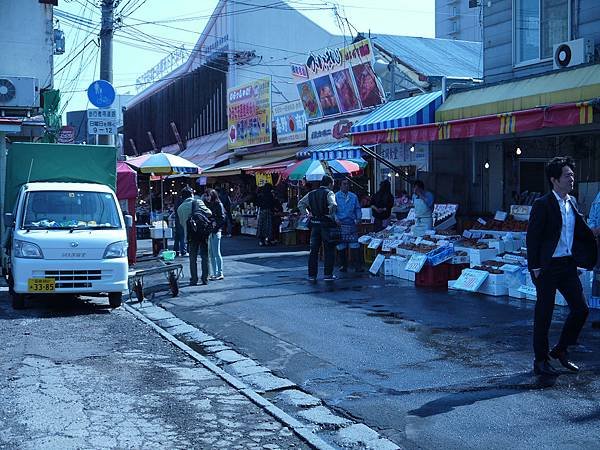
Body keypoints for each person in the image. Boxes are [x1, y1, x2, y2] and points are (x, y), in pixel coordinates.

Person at [526, 156, 597, 376]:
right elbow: (533, 237)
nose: (572, 179)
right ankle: (540, 360)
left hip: (567, 265)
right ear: (554, 179)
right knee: (544, 314)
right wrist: (535, 266)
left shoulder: (572, 202)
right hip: (547, 267)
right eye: (568, 175)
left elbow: (577, 233)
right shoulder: (542, 204)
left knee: (581, 309)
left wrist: (581, 257)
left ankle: (561, 349)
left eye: (572, 175)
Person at [298, 175, 338, 282]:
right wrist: (330, 215)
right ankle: (328, 274)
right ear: (330, 184)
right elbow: (333, 204)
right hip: (326, 224)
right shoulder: (329, 193)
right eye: (333, 184)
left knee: (313, 251)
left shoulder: (311, 193)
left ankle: (312, 275)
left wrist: (307, 214)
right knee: (329, 249)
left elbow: (300, 204)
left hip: (315, 224)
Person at [177, 186, 213, 286]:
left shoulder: (180, 208)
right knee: (205, 256)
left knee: (192, 258)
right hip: (202, 233)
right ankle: (205, 278)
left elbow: (181, 223)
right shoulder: (198, 202)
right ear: (192, 194)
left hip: (190, 235)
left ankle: (194, 279)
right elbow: (209, 213)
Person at [335, 179, 363, 272]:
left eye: (347, 184)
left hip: (351, 223)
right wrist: (336, 219)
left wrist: (359, 218)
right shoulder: (335, 196)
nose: (346, 186)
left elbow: (358, 208)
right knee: (341, 246)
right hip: (341, 224)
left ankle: (357, 266)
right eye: (344, 184)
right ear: (340, 185)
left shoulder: (353, 196)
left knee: (355, 245)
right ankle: (343, 265)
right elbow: (332, 210)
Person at [204, 189, 226, 281]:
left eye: (208, 195)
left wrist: (216, 228)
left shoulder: (218, 204)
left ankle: (220, 273)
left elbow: (222, 218)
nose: (207, 197)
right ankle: (215, 272)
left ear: (212, 195)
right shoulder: (208, 204)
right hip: (210, 231)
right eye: (206, 195)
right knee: (211, 254)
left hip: (216, 231)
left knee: (216, 252)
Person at [171, 191, 187, 257]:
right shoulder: (183, 202)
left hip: (177, 220)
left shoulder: (177, 201)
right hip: (182, 220)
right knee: (182, 236)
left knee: (177, 237)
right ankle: (183, 251)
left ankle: (176, 250)